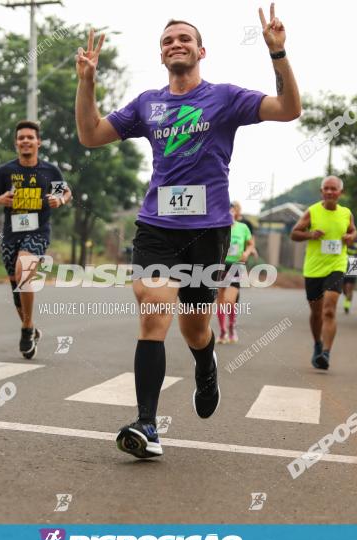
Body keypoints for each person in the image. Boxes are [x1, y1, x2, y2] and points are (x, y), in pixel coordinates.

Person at [75, 4, 301, 458]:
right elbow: (91, 135)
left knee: (195, 327)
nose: (175, 44)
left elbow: (289, 109)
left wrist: (278, 54)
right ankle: (147, 425)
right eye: (167, 41)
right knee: (154, 311)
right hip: (156, 225)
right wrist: (87, 83)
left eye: (183, 38)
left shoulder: (225, 98)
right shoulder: (147, 104)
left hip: (209, 231)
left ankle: (205, 363)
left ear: (201, 50)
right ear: (161, 56)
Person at [0, 120, 72, 360]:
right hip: (12, 234)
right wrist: (1, 198)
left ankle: (25, 330)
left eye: (30, 137)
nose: (25, 141)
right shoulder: (5, 172)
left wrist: (60, 201)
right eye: (21, 137)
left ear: (38, 143)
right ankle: (31, 327)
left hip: (38, 232)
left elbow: (66, 192)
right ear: (16, 143)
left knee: (24, 272)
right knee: (16, 287)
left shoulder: (50, 171)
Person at [290, 176, 357, 370]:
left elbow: (353, 231)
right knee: (316, 312)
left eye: (333, 189)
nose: (329, 192)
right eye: (326, 188)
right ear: (321, 192)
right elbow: (294, 233)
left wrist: (350, 237)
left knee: (329, 309)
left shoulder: (346, 213)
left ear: (340, 193)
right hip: (313, 269)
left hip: (336, 266)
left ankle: (326, 353)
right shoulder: (312, 212)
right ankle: (317, 345)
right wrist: (311, 234)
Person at [217, 201, 254, 343]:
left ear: (236, 213)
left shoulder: (243, 228)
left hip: (237, 266)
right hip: (220, 265)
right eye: (226, 211)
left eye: (232, 211)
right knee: (220, 299)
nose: (229, 213)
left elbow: (251, 244)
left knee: (229, 301)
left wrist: (247, 252)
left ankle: (231, 327)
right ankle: (222, 331)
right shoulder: (219, 228)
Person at [342, 241, 357, 314]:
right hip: (343, 268)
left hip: (353, 269)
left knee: (349, 288)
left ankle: (347, 305)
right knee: (344, 289)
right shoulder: (343, 244)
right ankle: (347, 299)